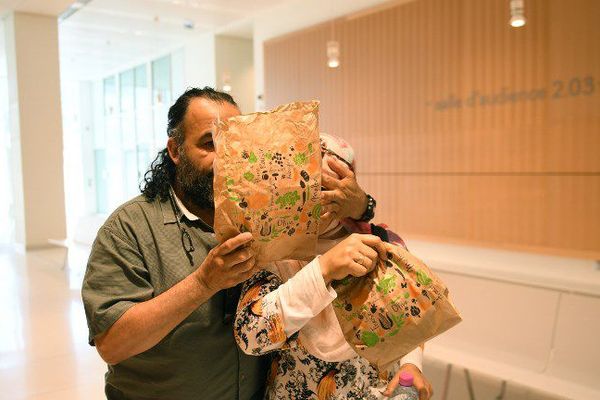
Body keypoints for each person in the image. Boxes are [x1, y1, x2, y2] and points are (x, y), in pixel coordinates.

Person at [81, 87, 400, 399]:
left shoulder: (269, 216)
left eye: (234, 143)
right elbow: (112, 344)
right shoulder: (129, 229)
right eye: (209, 143)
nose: (225, 159)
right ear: (176, 151)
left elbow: (345, 222)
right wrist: (204, 283)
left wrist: (362, 205)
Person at [233, 133, 433, 400]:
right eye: (306, 187)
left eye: (330, 188)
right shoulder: (275, 253)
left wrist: (411, 365)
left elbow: (409, 315)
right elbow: (252, 335)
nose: (318, 200)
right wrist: (324, 268)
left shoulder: (379, 242)